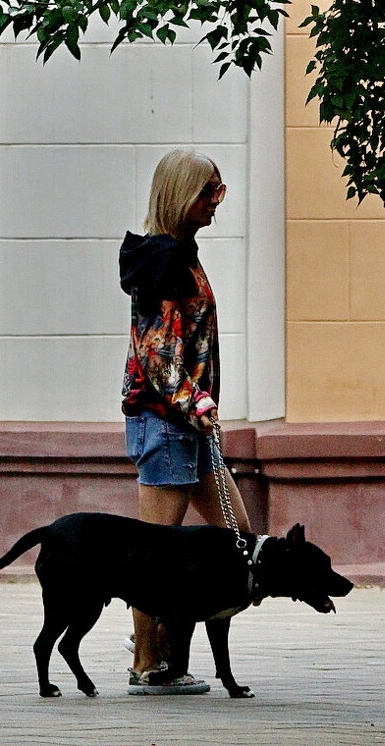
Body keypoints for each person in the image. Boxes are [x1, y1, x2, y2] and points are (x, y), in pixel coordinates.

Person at [118, 149, 253, 696]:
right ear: (181, 195)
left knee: (238, 539)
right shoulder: (165, 260)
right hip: (169, 424)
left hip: (185, 427)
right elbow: (158, 351)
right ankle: (149, 663)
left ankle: (166, 641)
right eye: (208, 191)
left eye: (220, 190)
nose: (218, 201)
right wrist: (192, 400)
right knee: (153, 556)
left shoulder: (180, 254)